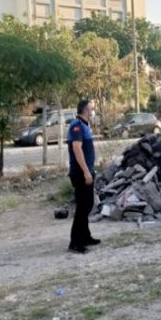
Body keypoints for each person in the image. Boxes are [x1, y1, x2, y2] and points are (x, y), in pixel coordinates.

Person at [67, 99, 100, 254]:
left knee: (87, 204)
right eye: (91, 109)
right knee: (83, 206)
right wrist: (86, 172)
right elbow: (77, 149)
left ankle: (86, 236)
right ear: (85, 111)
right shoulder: (77, 126)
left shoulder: (85, 126)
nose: (93, 111)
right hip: (80, 173)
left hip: (87, 171)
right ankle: (75, 242)